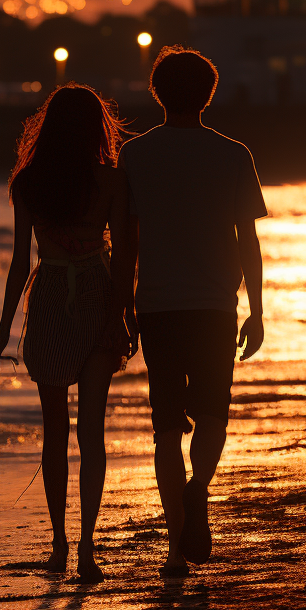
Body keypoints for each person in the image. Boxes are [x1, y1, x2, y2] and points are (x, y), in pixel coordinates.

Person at [119, 47, 267, 576]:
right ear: (210, 93)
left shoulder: (135, 156)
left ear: (157, 93)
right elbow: (247, 240)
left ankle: (173, 545)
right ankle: (198, 487)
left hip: (157, 305)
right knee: (211, 415)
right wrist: (258, 309)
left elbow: (126, 244)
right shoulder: (233, 154)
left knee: (165, 429)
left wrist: (122, 308)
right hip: (214, 305)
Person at [0, 85, 135, 583]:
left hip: (49, 296)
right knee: (92, 432)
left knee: (55, 435)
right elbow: (127, 261)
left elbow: (17, 264)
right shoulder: (111, 182)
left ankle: (58, 547)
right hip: (97, 295)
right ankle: (88, 550)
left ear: (47, 128)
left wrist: (4, 329)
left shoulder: (29, 182)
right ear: (98, 129)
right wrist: (123, 315)